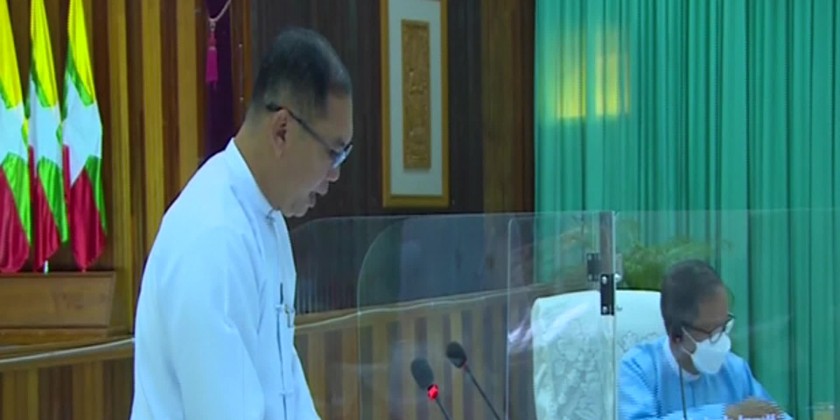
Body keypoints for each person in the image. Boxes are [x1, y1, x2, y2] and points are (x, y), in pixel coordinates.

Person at [130, 27, 353, 420]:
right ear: (282, 130)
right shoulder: (213, 236)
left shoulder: (268, 219)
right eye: (333, 153)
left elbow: (285, 386)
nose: (334, 174)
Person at [618, 260, 792, 420]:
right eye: (710, 330)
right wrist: (724, 414)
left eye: (723, 326)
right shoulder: (638, 369)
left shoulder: (735, 370)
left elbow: (774, 414)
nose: (720, 339)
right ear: (677, 334)